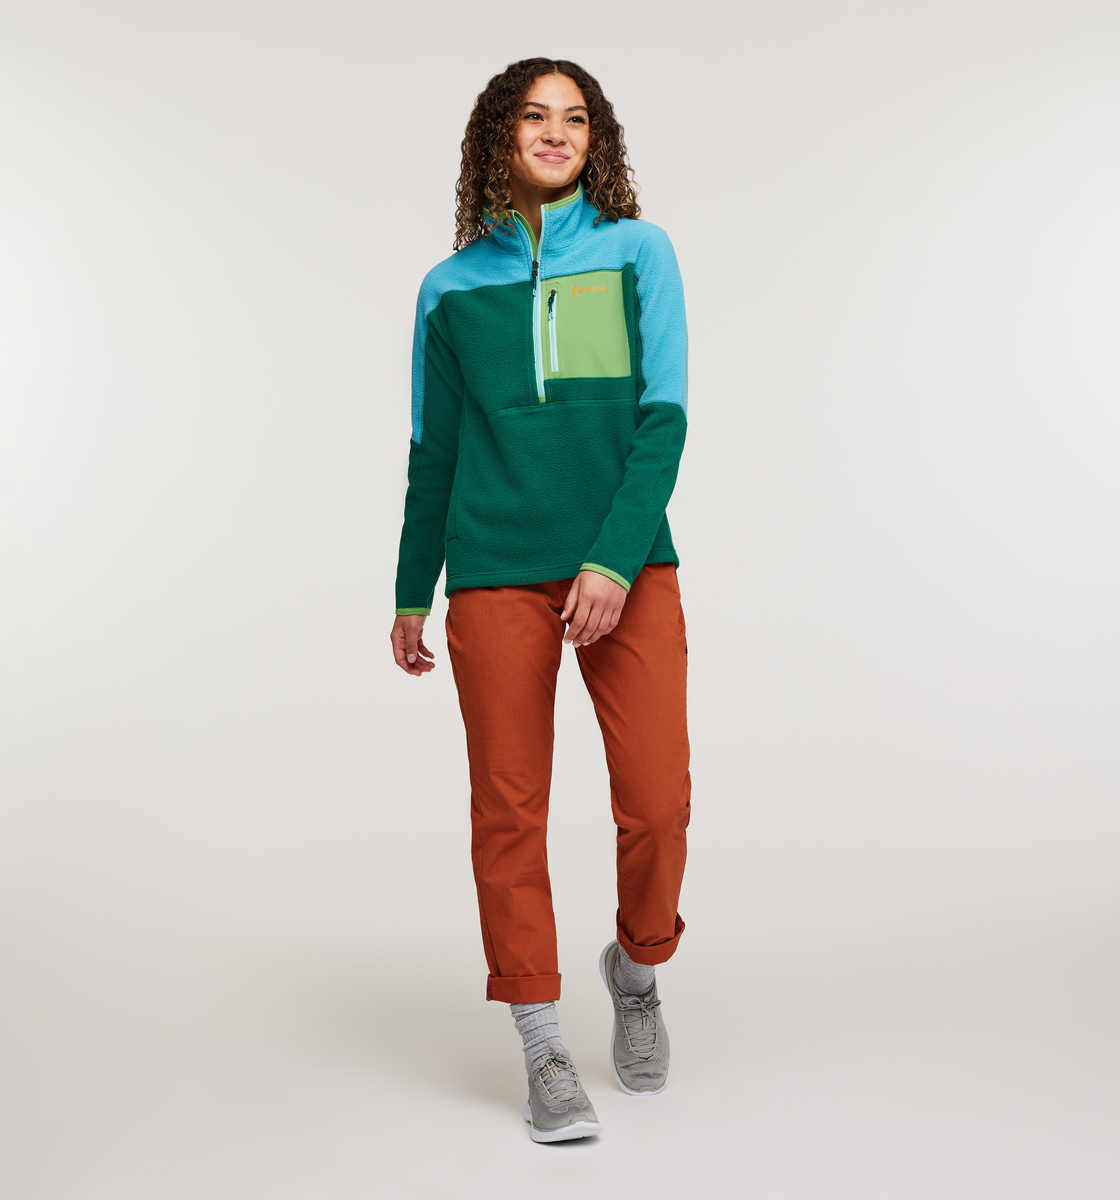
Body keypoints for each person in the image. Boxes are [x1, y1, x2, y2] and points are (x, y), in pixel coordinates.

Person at [389, 57, 691, 1143]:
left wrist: (610, 563)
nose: (556, 132)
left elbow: (664, 419)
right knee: (509, 807)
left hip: (626, 563)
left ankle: (637, 969)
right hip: (494, 570)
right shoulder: (448, 287)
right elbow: (434, 449)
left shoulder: (637, 252)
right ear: (499, 136)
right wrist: (411, 588)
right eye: (534, 115)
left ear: (596, 139)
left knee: (657, 801)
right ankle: (542, 1040)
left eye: (575, 118)